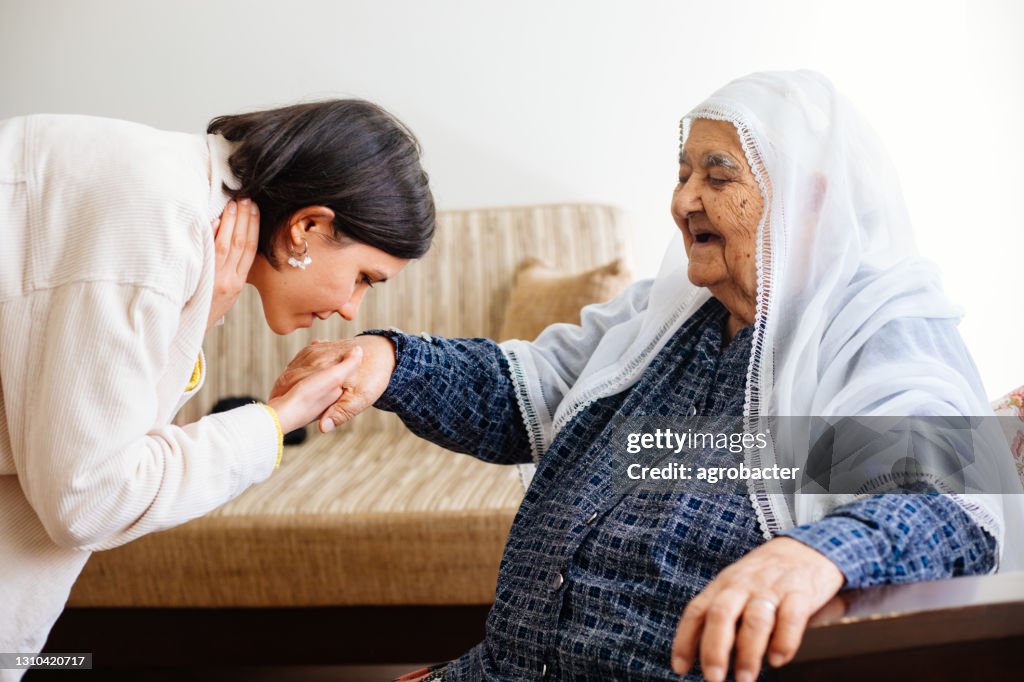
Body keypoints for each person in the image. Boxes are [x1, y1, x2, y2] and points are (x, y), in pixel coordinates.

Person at [273, 72, 1022, 681]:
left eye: (717, 175)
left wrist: (816, 552)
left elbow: (948, 492)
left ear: (809, 198)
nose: (683, 199)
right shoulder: (670, 314)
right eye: (682, 171)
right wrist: (391, 363)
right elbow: (527, 390)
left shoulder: (879, 330)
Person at [0, 99, 434, 677]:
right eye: (362, 278)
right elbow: (89, 498)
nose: (349, 308)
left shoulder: (171, 197)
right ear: (309, 226)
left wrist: (199, 318)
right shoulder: (155, 221)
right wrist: (277, 419)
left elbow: (87, 431)